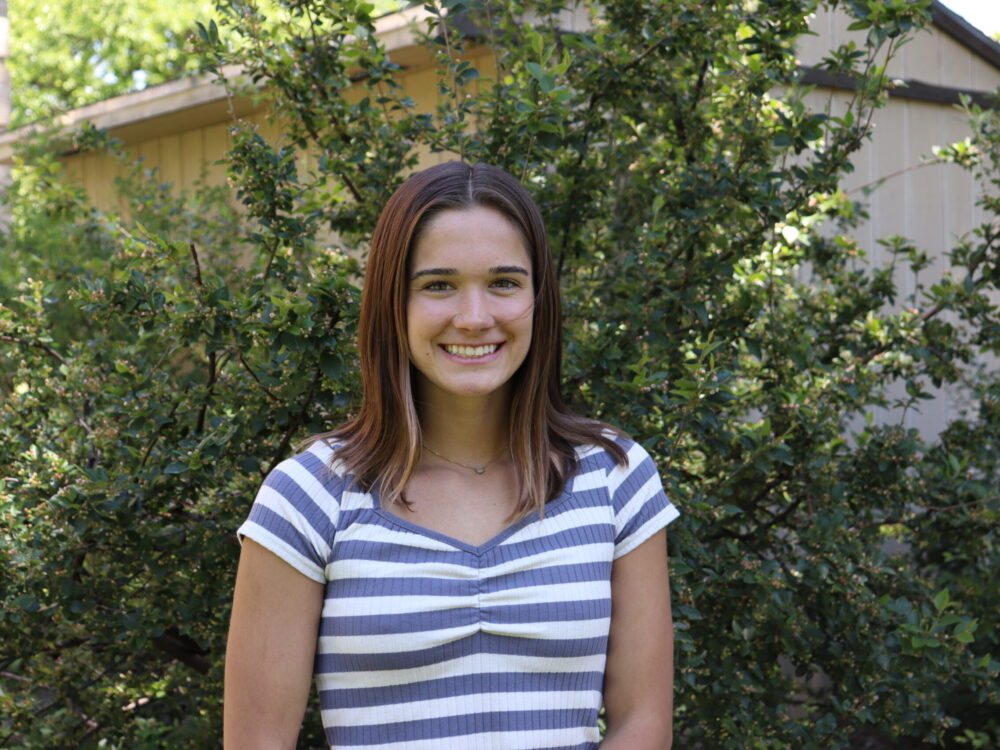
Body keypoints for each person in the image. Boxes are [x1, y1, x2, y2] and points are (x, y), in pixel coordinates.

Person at [224, 161, 679, 750]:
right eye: (438, 284)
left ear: (540, 299)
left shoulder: (617, 478)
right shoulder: (308, 496)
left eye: (504, 283)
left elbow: (643, 726)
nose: (473, 317)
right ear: (394, 302)